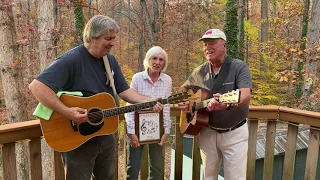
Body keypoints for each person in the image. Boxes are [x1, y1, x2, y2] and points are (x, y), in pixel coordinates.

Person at [28, 15, 162, 180]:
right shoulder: (71, 60)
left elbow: (124, 90)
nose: (113, 43)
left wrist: (146, 100)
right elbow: (37, 87)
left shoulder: (109, 61)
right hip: (77, 139)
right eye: (108, 39)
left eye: (114, 38)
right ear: (92, 37)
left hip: (105, 133)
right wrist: (67, 112)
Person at [179, 29, 252, 180]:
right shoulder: (199, 71)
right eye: (205, 44)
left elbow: (244, 96)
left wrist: (225, 105)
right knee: (208, 177)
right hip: (208, 131)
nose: (207, 47)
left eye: (212, 42)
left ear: (224, 45)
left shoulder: (239, 67)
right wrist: (186, 102)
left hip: (234, 133)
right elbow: (183, 91)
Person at [126, 46, 172, 180]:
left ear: (164, 63)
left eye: (161, 60)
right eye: (154, 58)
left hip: (157, 131)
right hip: (137, 131)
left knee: (157, 169)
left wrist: (167, 131)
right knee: (133, 169)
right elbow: (129, 106)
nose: (158, 62)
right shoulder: (137, 78)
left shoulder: (167, 80)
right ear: (148, 60)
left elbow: (167, 106)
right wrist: (132, 132)